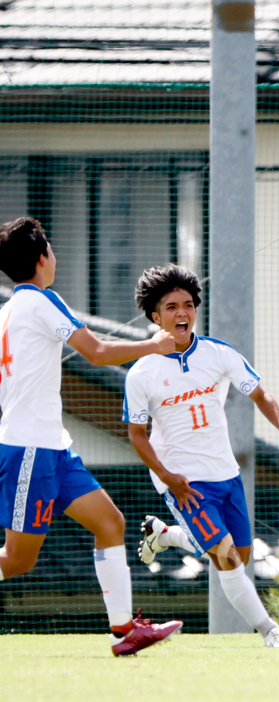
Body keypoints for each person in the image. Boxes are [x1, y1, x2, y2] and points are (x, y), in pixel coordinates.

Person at [0, 216, 183, 656]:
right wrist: (154, 345)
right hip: (29, 449)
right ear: (43, 257)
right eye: (52, 249)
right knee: (17, 560)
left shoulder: (10, 310)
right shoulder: (41, 301)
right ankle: (124, 629)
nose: (55, 257)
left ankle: (125, 631)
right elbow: (97, 353)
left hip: (52, 447)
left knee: (110, 523)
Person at [124, 263, 279, 648]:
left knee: (237, 558)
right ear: (155, 316)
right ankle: (271, 632)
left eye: (188, 304)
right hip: (183, 482)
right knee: (227, 559)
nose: (182, 313)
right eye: (171, 307)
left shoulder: (218, 354)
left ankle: (164, 535)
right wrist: (168, 476)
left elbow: (261, 393)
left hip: (226, 475)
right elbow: (136, 435)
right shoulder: (142, 373)